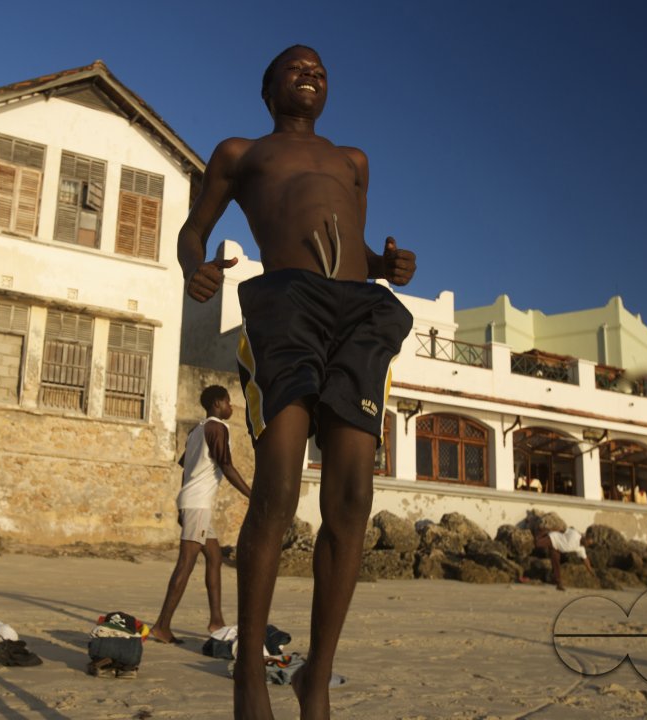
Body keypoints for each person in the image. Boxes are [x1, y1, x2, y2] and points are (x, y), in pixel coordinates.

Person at [178, 45, 417, 720]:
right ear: (269, 88)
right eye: (296, 67)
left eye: (320, 69)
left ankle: (317, 679)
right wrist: (193, 269)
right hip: (285, 301)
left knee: (352, 496)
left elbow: (358, 247)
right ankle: (249, 675)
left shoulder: (353, 161)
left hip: (357, 310)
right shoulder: (239, 152)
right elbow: (192, 232)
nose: (310, 73)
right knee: (278, 486)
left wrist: (387, 263)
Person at [149, 385, 251, 645]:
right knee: (186, 563)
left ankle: (216, 619)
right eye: (229, 402)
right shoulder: (218, 428)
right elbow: (226, 466)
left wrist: (181, 506)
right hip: (198, 505)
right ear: (218, 403)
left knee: (215, 558)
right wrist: (252, 494)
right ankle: (162, 626)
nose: (232, 407)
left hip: (192, 502)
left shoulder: (196, 430)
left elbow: (186, 471)